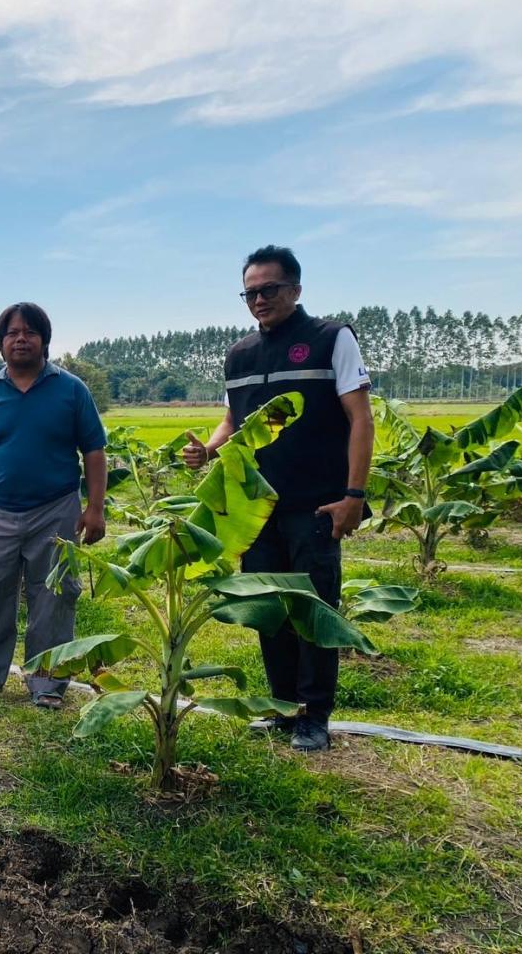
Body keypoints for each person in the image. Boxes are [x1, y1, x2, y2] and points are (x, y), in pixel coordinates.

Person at [183, 245, 373, 752]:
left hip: (315, 502)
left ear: (296, 290)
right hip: (255, 507)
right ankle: (283, 703)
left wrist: (354, 495)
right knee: (269, 606)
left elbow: (360, 418)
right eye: (250, 292)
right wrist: (210, 450)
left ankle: (315, 715)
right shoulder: (240, 353)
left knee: (312, 607)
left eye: (268, 290)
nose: (258, 300)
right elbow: (233, 420)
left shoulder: (331, 339)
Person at [0, 302, 108, 709]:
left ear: (44, 340)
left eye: (30, 332)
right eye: (12, 333)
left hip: (55, 509)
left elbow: (93, 450)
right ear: (1, 344)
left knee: (54, 596)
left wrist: (94, 508)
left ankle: (47, 682)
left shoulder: (71, 390)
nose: (20, 339)